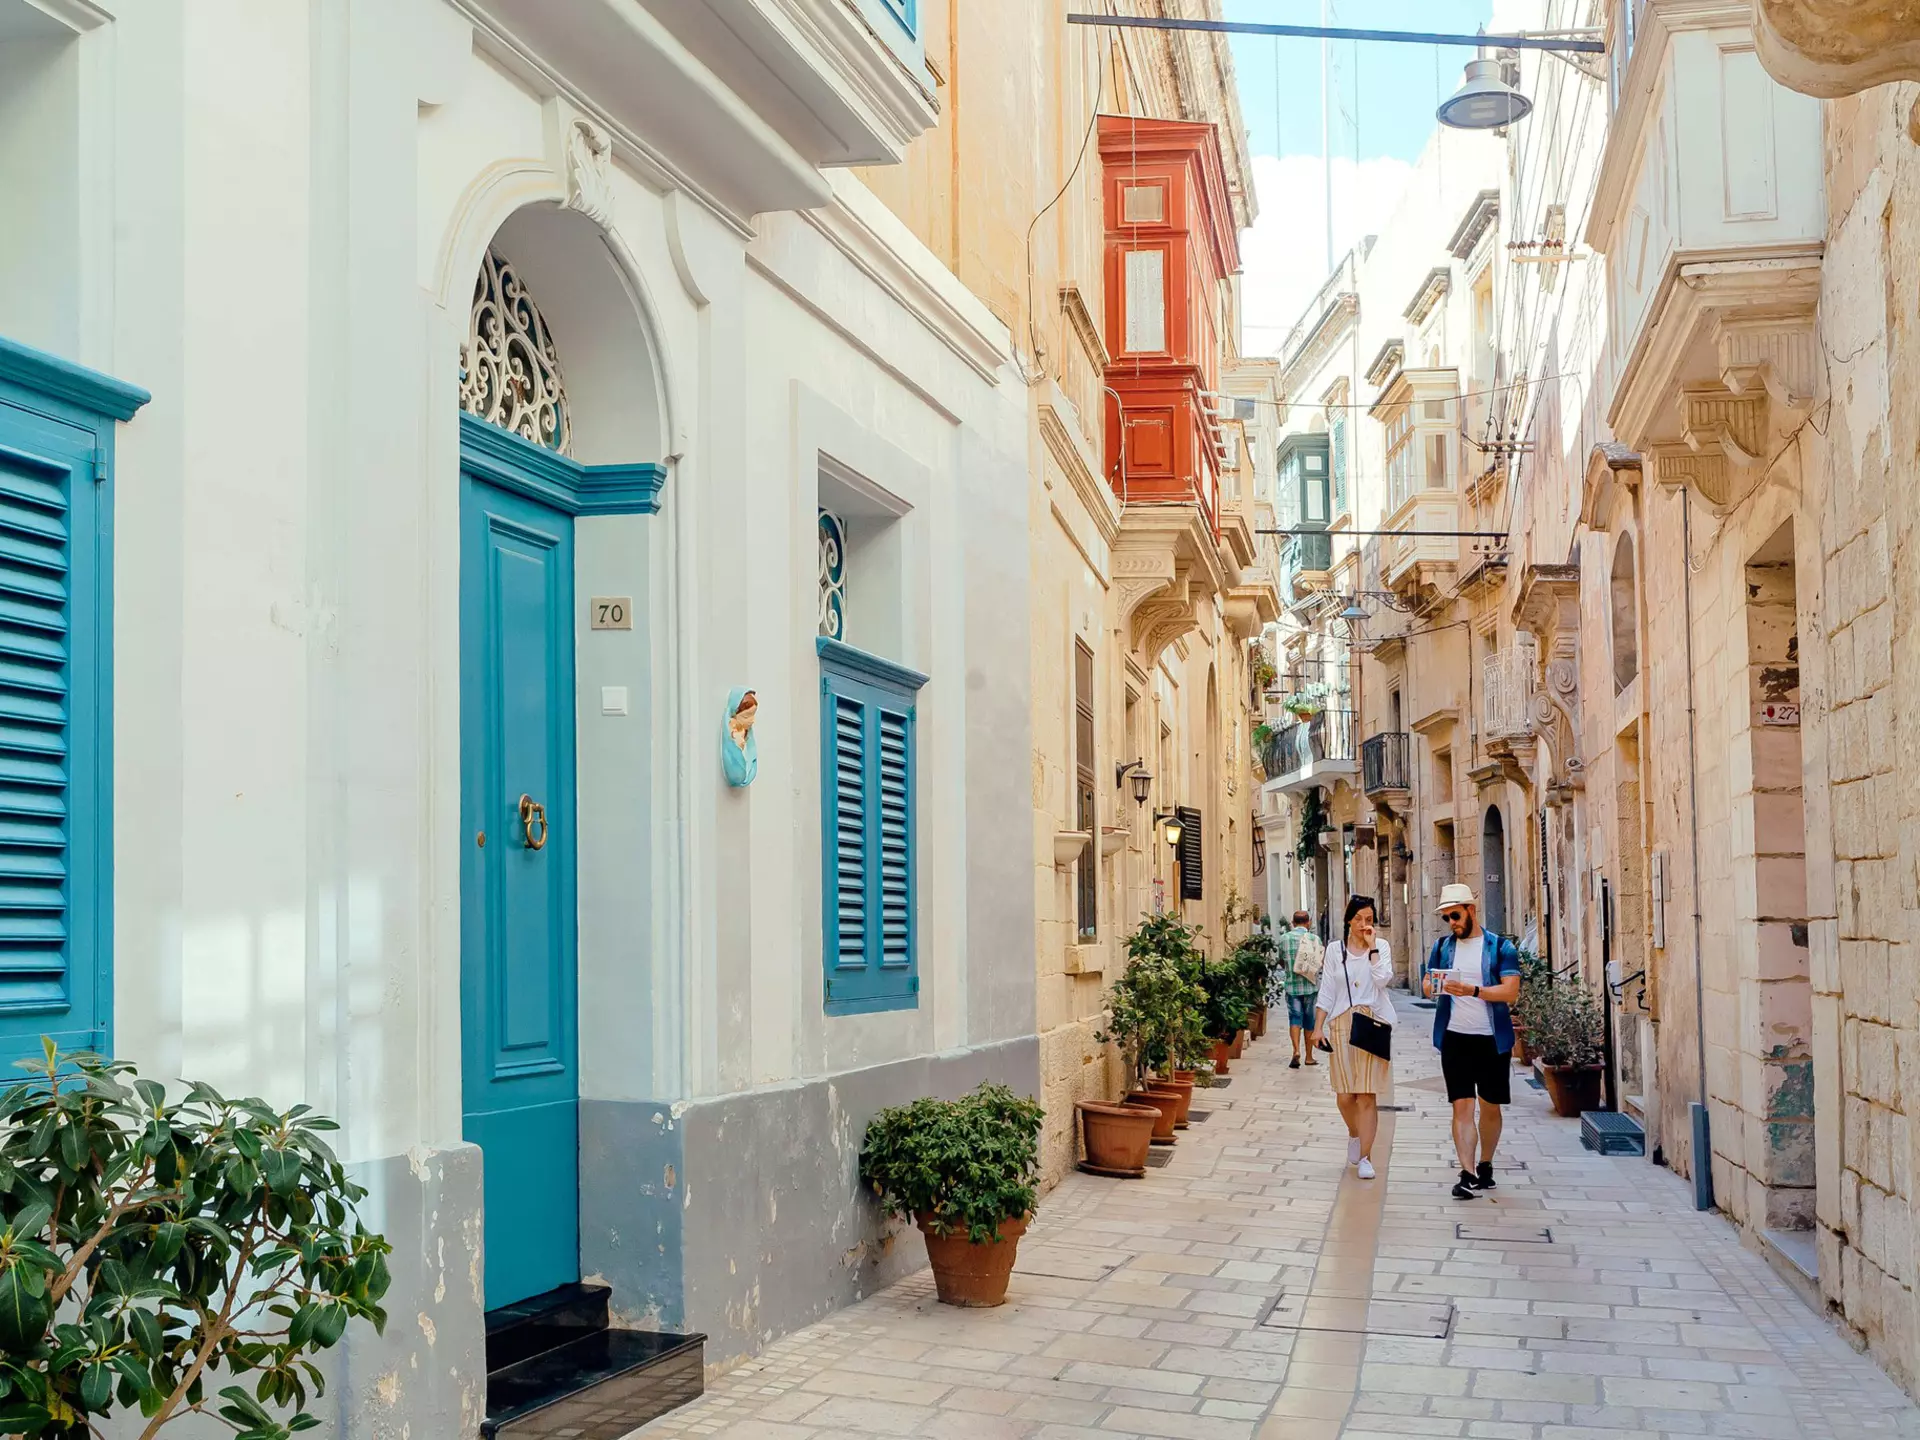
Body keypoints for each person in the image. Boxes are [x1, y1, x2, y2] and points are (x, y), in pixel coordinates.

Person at [1423, 882, 1524, 1201]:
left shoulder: (1500, 948)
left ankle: (1485, 1164)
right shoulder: (1441, 947)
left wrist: (1473, 991)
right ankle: (1466, 1173)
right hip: (1455, 1038)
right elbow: (1428, 981)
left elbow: (1510, 992)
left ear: (1470, 910)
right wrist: (1432, 987)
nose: (1452, 923)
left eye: (1455, 915)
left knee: (1490, 1107)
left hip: (1492, 1041)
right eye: (1446, 918)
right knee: (1461, 1106)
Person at [1308, 895, 1395, 1180]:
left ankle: (1367, 1157)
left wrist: (1371, 949)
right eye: (1358, 919)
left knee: (1366, 1094)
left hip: (1372, 1021)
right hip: (1342, 1024)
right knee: (1345, 1095)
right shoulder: (1335, 950)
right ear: (1348, 920)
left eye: (1369, 919)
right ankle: (1354, 1133)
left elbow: (1383, 980)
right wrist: (1318, 1027)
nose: (1363, 924)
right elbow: (1327, 990)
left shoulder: (1380, 947)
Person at [1271, 910, 1325, 1070]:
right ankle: (1309, 1057)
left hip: (1292, 986)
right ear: (1308, 923)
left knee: (1295, 1018)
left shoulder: (1284, 939)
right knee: (1309, 1021)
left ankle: (1296, 1051)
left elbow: (1280, 960)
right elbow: (1318, 963)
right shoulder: (1314, 939)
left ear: (1292, 923)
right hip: (1310, 987)